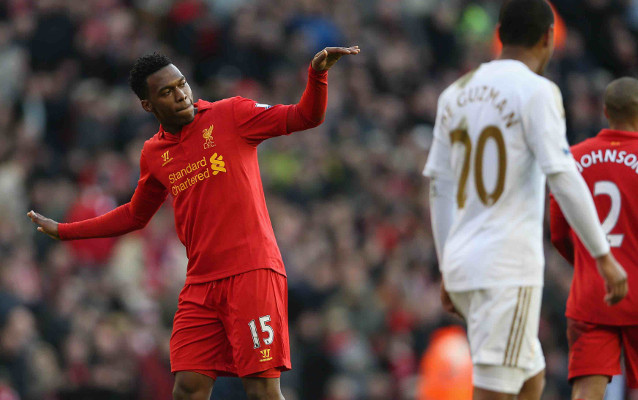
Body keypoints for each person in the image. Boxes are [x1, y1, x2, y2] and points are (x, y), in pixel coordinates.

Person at [27, 45, 360, 400]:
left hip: (252, 272)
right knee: (187, 388)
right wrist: (65, 231)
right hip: (201, 285)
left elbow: (305, 116)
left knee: (262, 389)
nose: (181, 95)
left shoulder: (232, 113)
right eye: (167, 92)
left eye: (182, 84)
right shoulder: (154, 154)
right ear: (148, 105)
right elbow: (134, 215)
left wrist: (317, 75)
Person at [423, 1, 627, 399]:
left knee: (531, 375)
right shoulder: (537, 91)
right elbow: (562, 174)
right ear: (548, 37)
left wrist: (448, 265)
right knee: (495, 392)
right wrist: (603, 255)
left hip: (465, 263)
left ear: (499, 33)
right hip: (507, 270)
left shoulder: (454, 94)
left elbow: (439, 187)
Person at [550, 77, 638, 400]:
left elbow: (558, 233)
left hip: (592, 295)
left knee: (587, 391)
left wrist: (591, 265)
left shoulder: (572, 159)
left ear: (604, 111)